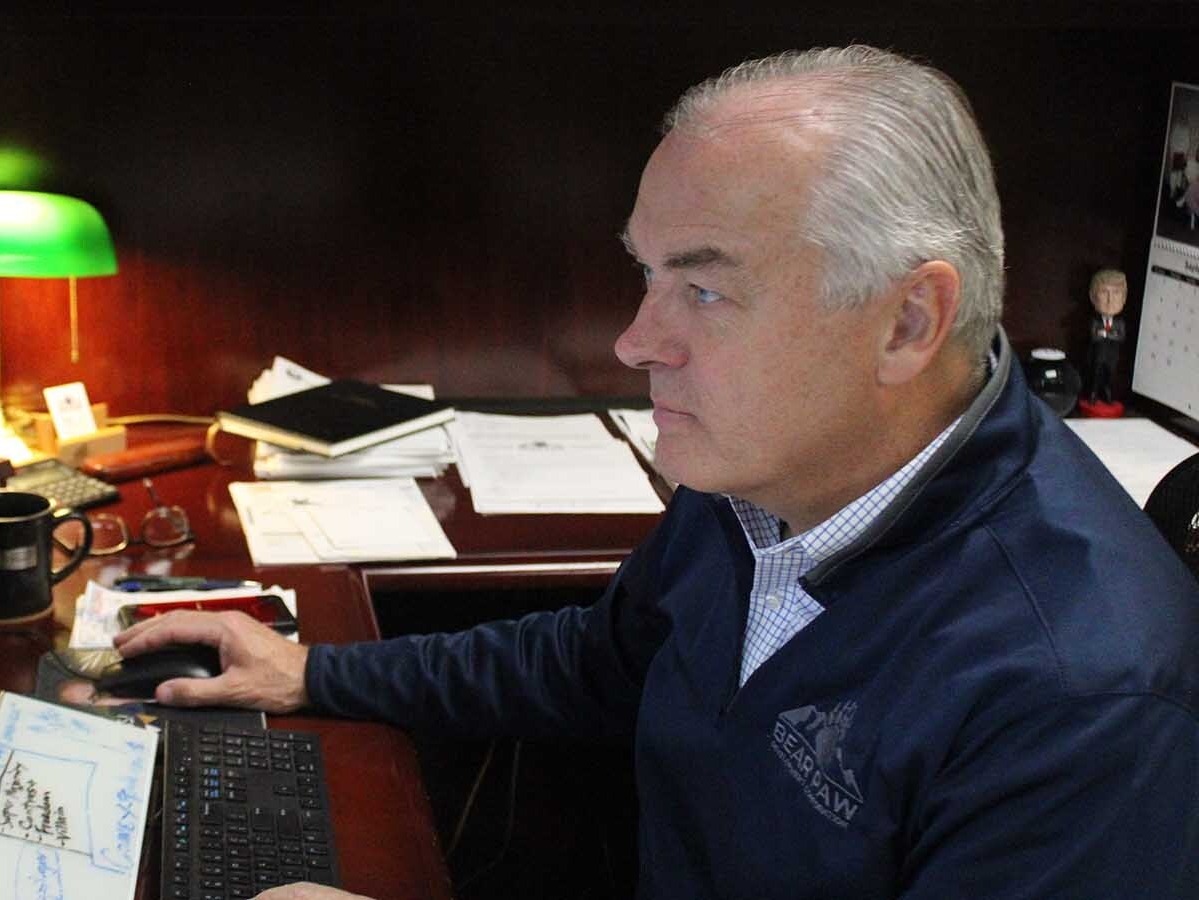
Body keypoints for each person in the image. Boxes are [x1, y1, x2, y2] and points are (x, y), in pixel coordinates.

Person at [115, 46, 1199, 899]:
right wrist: (316, 675)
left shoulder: (1083, 696)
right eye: (646, 274)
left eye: (706, 291)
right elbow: (603, 660)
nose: (636, 341)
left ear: (907, 321)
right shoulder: (763, 476)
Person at [1082, 267, 1128, 410]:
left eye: (1116, 293)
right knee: (1095, 375)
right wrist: (1104, 334)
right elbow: (1094, 336)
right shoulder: (1095, 322)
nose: (1110, 299)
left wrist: (1106, 334)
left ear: (1124, 298)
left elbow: (1121, 337)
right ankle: (1093, 395)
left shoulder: (1119, 323)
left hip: (1112, 358)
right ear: (1092, 297)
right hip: (1096, 358)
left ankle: (1107, 395)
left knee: (1109, 376)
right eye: (1104, 292)